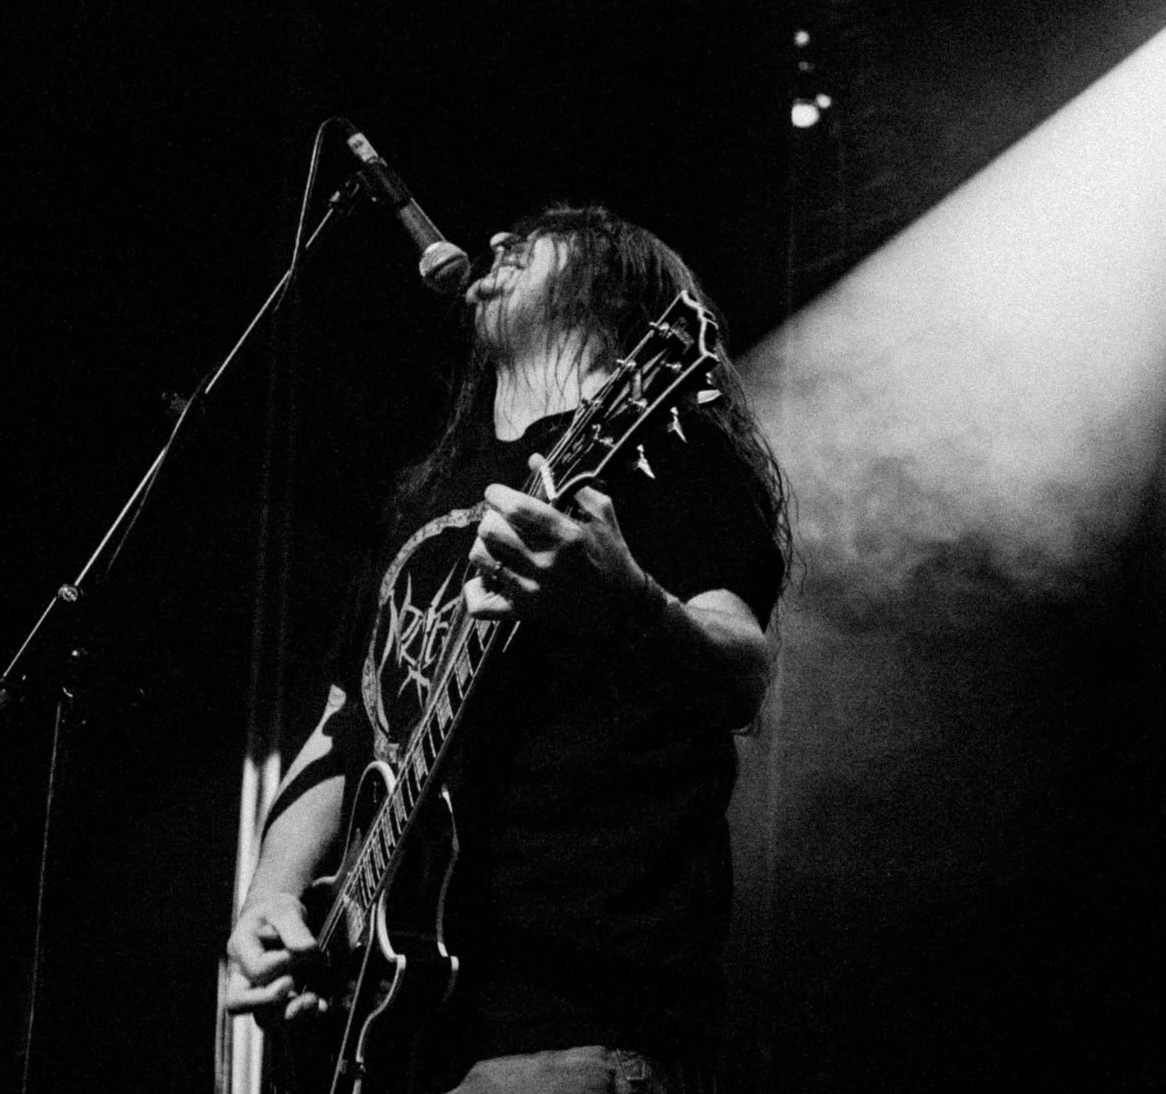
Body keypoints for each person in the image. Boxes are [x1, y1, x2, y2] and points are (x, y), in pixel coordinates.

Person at [225, 204, 789, 1094]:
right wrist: (274, 897)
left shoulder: (662, 458)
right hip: (400, 1037)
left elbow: (741, 671)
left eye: (536, 237)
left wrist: (627, 604)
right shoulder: (422, 497)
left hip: (569, 1027)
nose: (494, 242)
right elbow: (349, 721)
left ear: (611, 303)